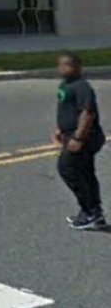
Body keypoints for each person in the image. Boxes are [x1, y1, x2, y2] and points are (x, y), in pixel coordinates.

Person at [53, 52, 104, 230]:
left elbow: (87, 112)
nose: (63, 68)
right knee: (85, 173)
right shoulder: (65, 85)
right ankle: (94, 212)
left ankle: (89, 210)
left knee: (67, 169)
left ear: (78, 67)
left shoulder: (81, 86)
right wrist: (60, 128)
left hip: (84, 137)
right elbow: (66, 107)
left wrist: (78, 137)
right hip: (71, 134)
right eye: (60, 65)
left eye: (68, 65)